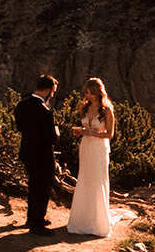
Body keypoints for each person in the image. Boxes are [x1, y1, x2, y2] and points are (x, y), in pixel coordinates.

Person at [67, 77, 115, 237]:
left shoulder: (107, 110)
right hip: (86, 147)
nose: (87, 95)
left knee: (97, 180)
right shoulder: (85, 107)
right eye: (86, 92)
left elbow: (110, 134)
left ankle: (98, 222)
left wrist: (90, 133)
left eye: (90, 92)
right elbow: (85, 128)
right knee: (85, 180)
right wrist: (80, 131)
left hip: (99, 148)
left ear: (97, 92)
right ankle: (82, 220)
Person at [13, 75, 59, 234]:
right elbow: (51, 138)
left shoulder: (21, 104)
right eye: (53, 91)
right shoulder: (45, 110)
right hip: (43, 154)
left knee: (33, 186)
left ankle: (31, 218)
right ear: (47, 90)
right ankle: (37, 224)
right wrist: (57, 134)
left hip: (27, 151)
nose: (52, 95)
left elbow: (19, 127)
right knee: (43, 188)